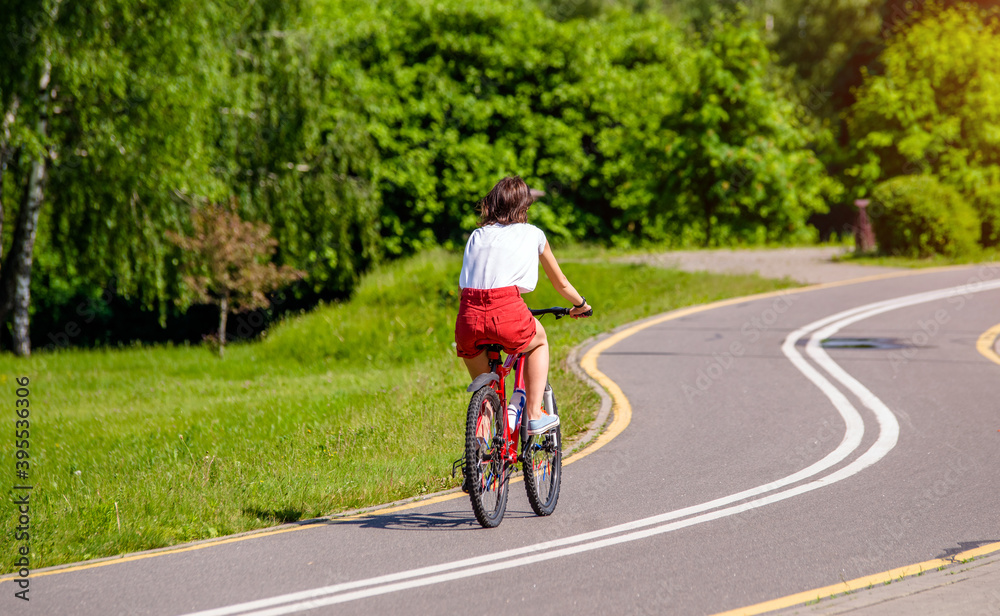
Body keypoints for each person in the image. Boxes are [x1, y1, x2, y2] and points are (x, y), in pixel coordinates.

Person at [455, 176, 591, 435]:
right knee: (538, 340)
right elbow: (560, 282)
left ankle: (480, 461)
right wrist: (581, 304)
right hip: (507, 310)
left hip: (468, 315)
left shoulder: (476, 235)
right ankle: (535, 414)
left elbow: (464, 286)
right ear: (524, 207)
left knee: (487, 399)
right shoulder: (534, 234)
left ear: (492, 204)